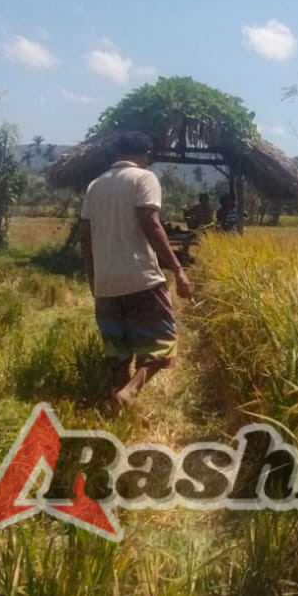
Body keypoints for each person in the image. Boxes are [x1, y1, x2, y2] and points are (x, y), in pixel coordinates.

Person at [78, 131, 193, 411]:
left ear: (116, 154)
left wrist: (94, 278)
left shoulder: (95, 185)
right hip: (141, 279)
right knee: (162, 342)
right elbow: (150, 222)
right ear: (145, 155)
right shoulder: (144, 178)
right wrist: (177, 269)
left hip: (106, 284)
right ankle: (131, 391)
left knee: (118, 351)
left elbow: (85, 236)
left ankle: (122, 410)